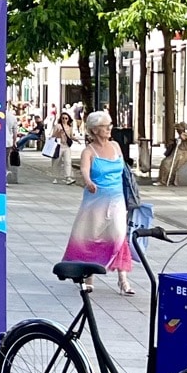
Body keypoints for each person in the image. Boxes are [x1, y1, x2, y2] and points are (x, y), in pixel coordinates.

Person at [64, 110, 134, 294]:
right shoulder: (89, 151)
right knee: (92, 236)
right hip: (96, 200)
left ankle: (123, 279)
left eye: (109, 125)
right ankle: (88, 276)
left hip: (117, 200)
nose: (109, 129)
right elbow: (85, 170)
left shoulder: (116, 146)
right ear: (94, 130)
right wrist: (88, 182)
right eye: (105, 126)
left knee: (119, 235)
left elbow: (123, 170)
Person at [51, 111, 76, 184]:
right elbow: (53, 136)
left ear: (68, 119)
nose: (64, 120)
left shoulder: (70, 127)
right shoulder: (58, 126)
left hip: (66, 146)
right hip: (59, 146)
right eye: (63, 118)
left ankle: (68, 177)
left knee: (68, 162)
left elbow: (71, 136)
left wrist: (76, 139)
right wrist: (59, 132)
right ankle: (55, 177)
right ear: (61, 119)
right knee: (56, 162)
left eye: (66, 118)